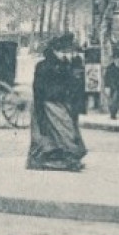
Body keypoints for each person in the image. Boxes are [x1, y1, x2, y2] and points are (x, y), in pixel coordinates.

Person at [27, 35, 88, 171]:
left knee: (64, 131)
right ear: (55, 50)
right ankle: (62, 159)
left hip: (60, 103)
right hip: (48, 103)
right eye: (64, 51)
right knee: (62, 132)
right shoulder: (44, 66)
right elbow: (38, 90)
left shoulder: (65, 65)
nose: (66, 54)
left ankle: (63, 159)